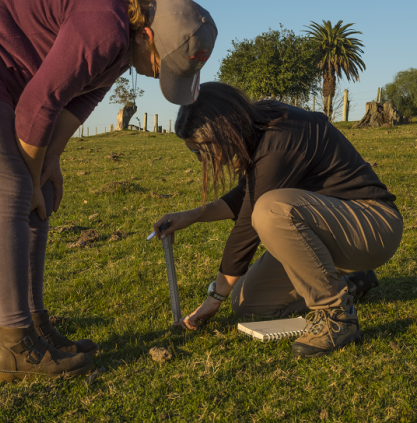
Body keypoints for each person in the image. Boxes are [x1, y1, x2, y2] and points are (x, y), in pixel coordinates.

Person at [0, 0, 217, 381]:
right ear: (148, 36)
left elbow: (78, 103)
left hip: (10, 72)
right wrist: (32, 175)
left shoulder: (128, 32)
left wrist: (49, 162)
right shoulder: (106, 26)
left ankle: (35, 325)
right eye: (160, 65)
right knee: (11, 192)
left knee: (39, 190)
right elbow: (38, 105)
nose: (155, 74)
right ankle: (14, 347)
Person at [153, 83, 402, 358]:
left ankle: (336, 316)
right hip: (333, 235)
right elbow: (247, 195)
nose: (200, 158)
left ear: (223, 130)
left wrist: (214, 298)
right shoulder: (256, 132)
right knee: (249, 302)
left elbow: (250, 221)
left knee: (270, 211)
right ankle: (351, 283)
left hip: (372, 226)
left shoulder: (281, 136)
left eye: (200, 150)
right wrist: (192, 216)